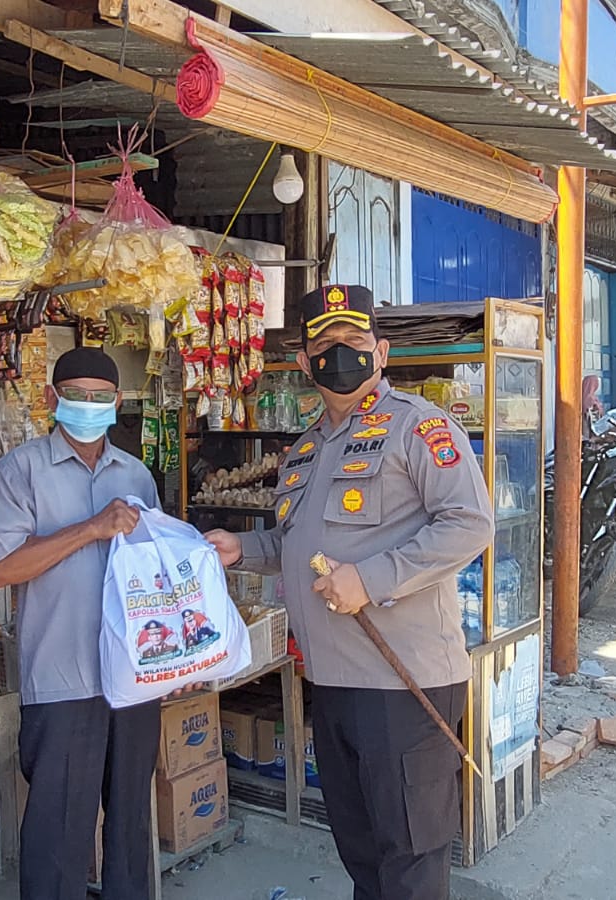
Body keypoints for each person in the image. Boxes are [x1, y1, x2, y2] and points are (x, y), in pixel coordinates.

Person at [204, 284, 494, 900]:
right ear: (305, 363)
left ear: (381, 353)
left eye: (355, 342)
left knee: (411, 858)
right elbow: (300, 543)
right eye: (326, 345)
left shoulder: (419, 426)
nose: (341, 354)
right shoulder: (304, 452)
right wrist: (244, 548)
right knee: (361, 850)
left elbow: (470, 524)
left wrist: (370, 580)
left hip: (402, 682)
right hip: (332, 684)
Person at [0, 347, 162, 900]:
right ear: (51, 399)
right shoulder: (21, 470)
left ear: (118, 401)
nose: (89, 404)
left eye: (100, 396)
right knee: (58, 834)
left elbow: (158, 574)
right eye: (76, 395)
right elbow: (0, 569)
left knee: (130, 828)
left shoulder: (137, 474)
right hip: (63, 678)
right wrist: (90, 529)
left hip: (132, 683)